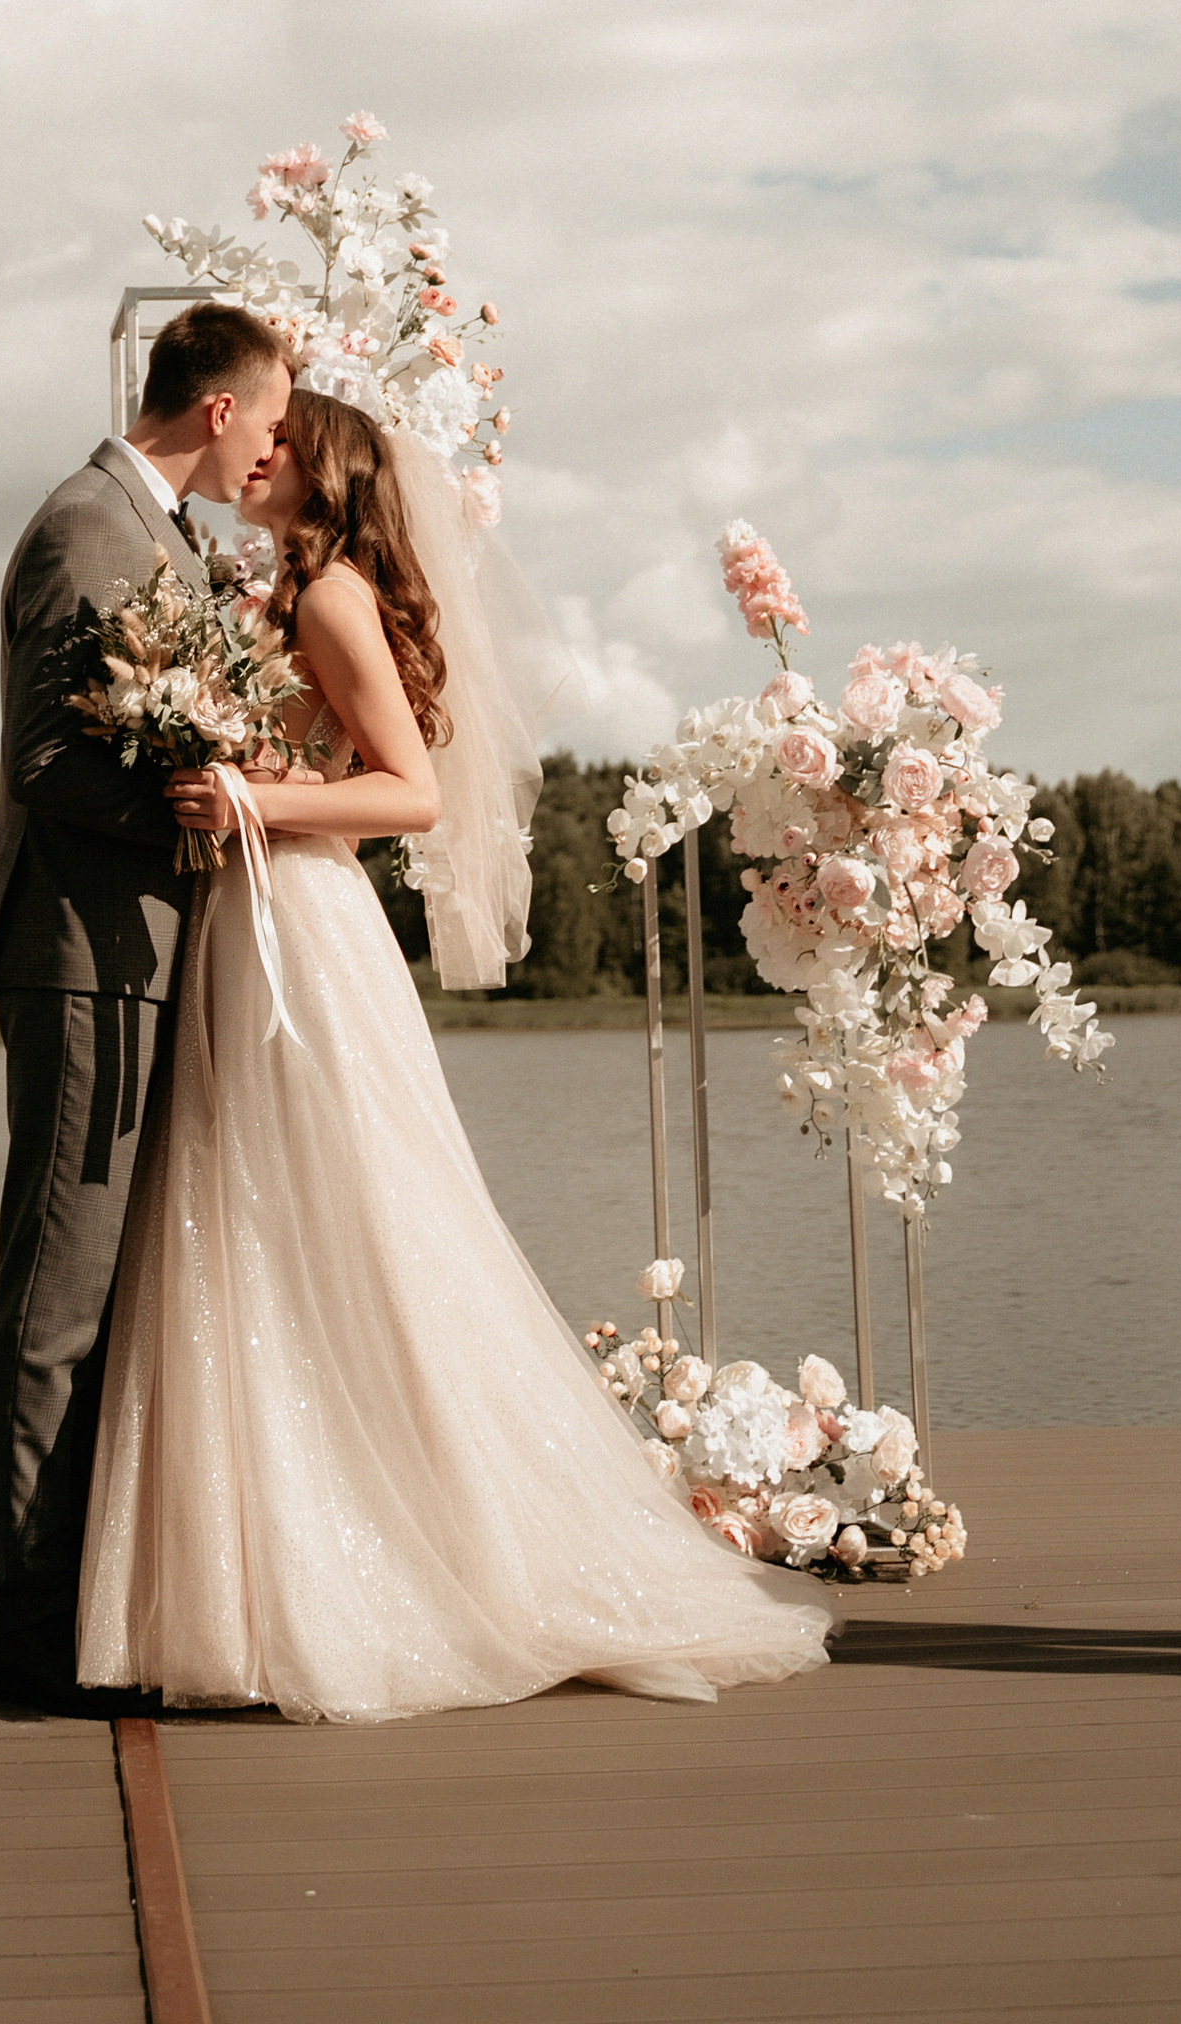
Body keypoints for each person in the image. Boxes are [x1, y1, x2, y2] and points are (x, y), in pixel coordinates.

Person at [77, 354, 833, 1719]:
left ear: (327, 471)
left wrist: (250, 798)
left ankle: (393, 1552)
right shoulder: (283, 594)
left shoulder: (331, 595)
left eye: (284, 443)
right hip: (267, 922)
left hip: (300, 931)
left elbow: (411, 795)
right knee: (264, 1220)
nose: (257, 456)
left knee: (343, 1217)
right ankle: (264, 1562)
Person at [0, 300, 293, 1714]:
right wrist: (198, 806)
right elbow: (47, 758)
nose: (274, 450)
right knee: (60, 1291)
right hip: (87, 951)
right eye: (272, 421)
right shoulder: (89, 525)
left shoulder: (161, 535)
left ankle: (92, 1607)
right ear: (218, 409)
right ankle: (36, 1647)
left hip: (141, 949)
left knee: (105, 1291)